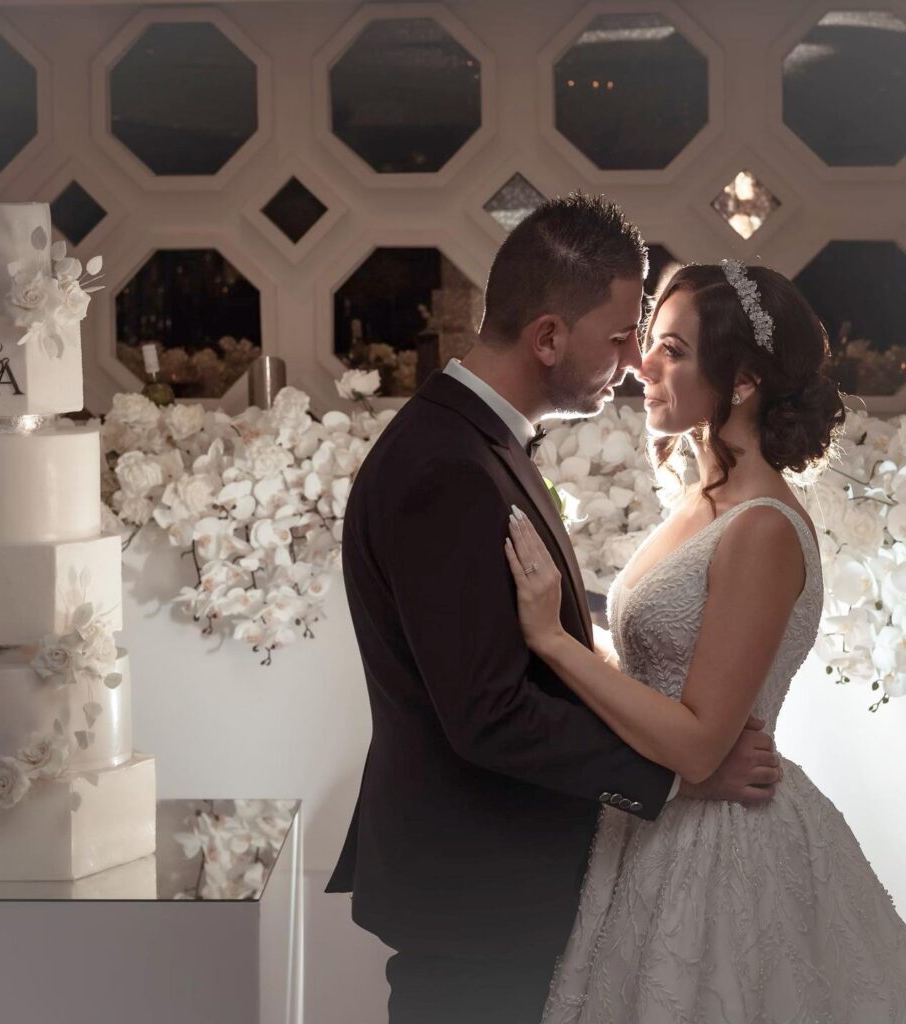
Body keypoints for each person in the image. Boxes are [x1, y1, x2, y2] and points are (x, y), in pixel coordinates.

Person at [326, 195, 781, 1024]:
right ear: (546, 337)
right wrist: (682, 775)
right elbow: (489, 714)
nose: (632, 362)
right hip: (479, 894)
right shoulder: (449, 470)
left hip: (493, 882)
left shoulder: (475, 443)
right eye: (617, 339)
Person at [505, 261, 906, 1022]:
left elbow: (698, 747)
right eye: (652, 343)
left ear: (744, 380)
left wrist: (554, 643)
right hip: (650, 826)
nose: (642, 365)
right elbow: (658, 674)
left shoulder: (761, 528)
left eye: (675, 351)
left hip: (722, 846)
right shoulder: (700, 498)